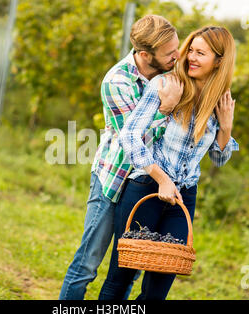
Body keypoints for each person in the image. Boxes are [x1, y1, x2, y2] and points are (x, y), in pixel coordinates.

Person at [98, 26, 240, 300]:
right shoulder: (165, 85)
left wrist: (226, 127)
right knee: (121, 276)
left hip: (183, 197)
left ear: (220, 61)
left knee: (158, 289)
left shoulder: (219, 101)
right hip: (146, 187)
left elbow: (218, 159)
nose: (190, 58)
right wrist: (161, 178)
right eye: (190, 50)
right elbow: (129, 135)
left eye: (201, 53)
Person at [59, 15, 184, 300]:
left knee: (128, 269)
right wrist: (165, 109)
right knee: (87, 264)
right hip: (113, 182)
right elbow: (134, 138)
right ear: (144, 55)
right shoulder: (116, 81)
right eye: (169, 53)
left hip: (145, 185)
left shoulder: (172, 77)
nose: (177, 57)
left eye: (176, 48)